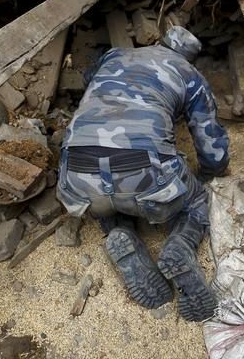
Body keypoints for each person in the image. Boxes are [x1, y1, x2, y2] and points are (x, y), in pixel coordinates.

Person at [56, 26, 229, 322]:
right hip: (145, 177)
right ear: (189, 57)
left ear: (160, 42)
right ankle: (181, 244)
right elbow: (209, 143)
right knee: (197, 199)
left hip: (76, 177)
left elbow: (90, 83)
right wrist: (211, 172)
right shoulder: (189, 75)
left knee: (103, 197)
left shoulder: (115, 55)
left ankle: (119, 231)